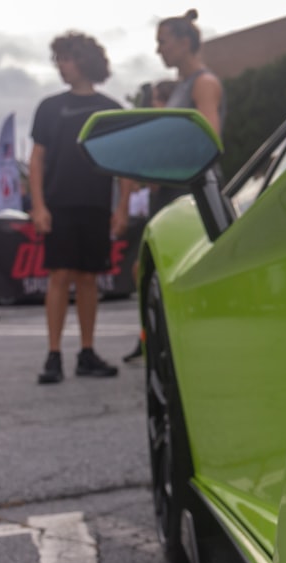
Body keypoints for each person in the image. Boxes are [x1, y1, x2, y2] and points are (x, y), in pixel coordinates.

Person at [29, 31, 132, 384]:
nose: (61, 65)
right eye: (58, 59)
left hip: (96, 206)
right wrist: (39, 205)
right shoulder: (49, 107)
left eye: (67, 58)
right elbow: (37, 160)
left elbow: (123, 164)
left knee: (89, 278)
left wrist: (122, 208)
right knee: (59, 276)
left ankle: (87, 352)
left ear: (86, 61)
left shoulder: (111, 108)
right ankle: (53, 354)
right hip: (59, 205)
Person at [122, 78, 178, 364]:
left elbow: (153, 176)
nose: (153, 104)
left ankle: (158, 336)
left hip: (174, 202)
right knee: (142, 270)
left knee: (151, 269)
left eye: (157, 99)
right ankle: (150, 335)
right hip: (162, 203)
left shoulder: (173, 132)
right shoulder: (159, 132)